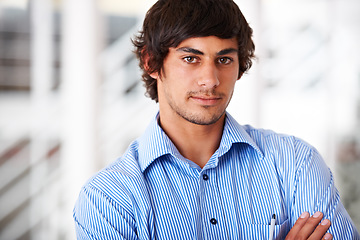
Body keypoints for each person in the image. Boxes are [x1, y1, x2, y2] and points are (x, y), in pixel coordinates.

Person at [73, 0, 360, 239]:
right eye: (190, 59)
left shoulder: (295, 164)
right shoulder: (107, 199)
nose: (210, 80)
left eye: (224, 60)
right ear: (151, 62)